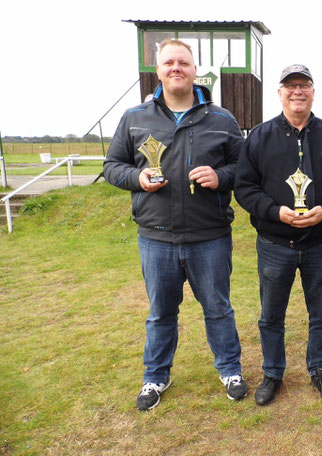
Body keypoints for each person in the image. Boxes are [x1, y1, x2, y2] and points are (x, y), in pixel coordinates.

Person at [103, 39, 248, 411]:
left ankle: (230, 369)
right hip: (157, 238)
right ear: (158, 70)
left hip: (209, 236)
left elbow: (244, 169)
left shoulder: (222, 119)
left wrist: (220, 175)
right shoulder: (135, 118)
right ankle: (155, 377)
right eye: (169, 62)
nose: (176, 68)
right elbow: (112, 167)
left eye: (183, 62)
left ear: (195, 69)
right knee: (161, 312)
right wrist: (137, 178)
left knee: (218, 307)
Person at [234, 64, 322, 406]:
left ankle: (319, 369)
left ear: (313, 92)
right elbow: (244, 187)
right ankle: (273, 372)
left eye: (304, 85)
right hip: (275, 244)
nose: (297, 91)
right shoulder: (259, 136)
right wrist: (275, 212)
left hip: (321, 244)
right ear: (280, 92)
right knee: (270, 315)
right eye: (291, 86)